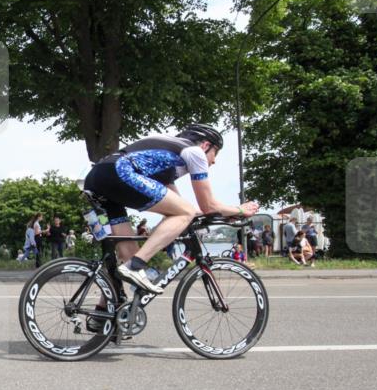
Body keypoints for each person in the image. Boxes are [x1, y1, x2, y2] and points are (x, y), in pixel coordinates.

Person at [82, 124, 258, 293]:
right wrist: (240, 210)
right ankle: (136, 265)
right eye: (215, 153)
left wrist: (224, 215)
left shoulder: (166, 163)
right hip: (120, 171)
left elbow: (181, 208)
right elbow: (207, 206)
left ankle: (107, 310)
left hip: (98, 176)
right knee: (183, 214)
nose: (214, 161)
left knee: (128, 252)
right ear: (205, 145)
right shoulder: (195, 152)